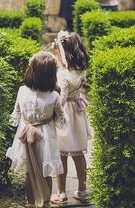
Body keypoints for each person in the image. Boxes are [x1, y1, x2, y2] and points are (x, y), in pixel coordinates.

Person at [6, 52, 66, 208]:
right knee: (46, 172)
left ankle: (31, 203)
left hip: (25, 134)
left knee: (29, 172)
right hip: (46, 137)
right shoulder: (54, 96)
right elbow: (62, 120)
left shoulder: (21, 90)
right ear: (51, 75)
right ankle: (46, 202)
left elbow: (16, 114)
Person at [52, 32, 92, 206]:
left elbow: (60, 101)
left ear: (64, 55)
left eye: (57, 54)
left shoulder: (63, 75)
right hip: (78, 112)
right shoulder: (81, 69)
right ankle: (82, 190)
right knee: (78, 154)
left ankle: (61, 193)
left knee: (61, 155)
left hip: (66, 114)